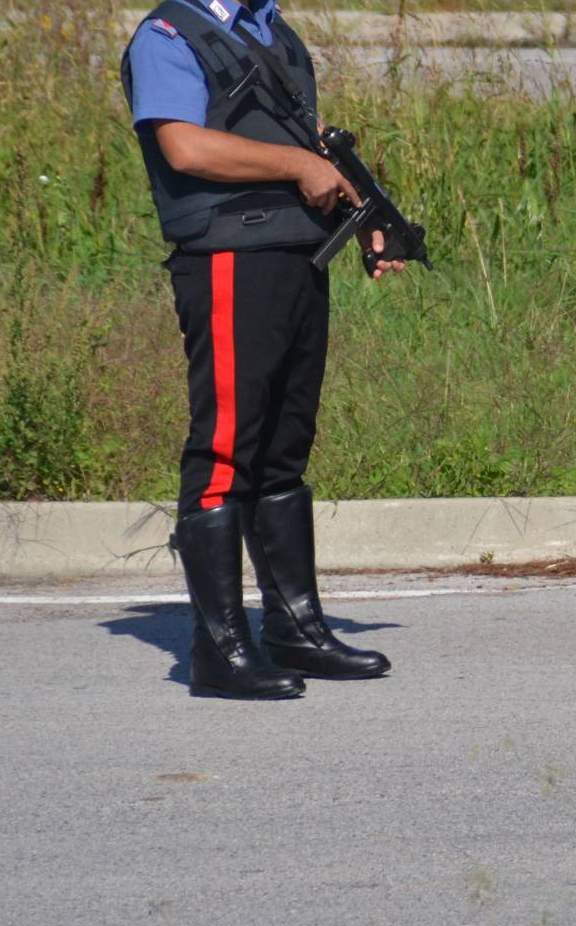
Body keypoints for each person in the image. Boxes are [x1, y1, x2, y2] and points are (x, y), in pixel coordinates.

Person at [122, 0, 406, 699]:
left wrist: (365, 214)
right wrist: (293, 164)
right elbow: (184, 146)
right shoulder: (168, 35)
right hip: (226, 256)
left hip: (295, 253)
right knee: (226, 446)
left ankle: (295, 628)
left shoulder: (270, 28)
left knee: (284, 449)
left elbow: (312, 145)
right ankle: (218, 650)